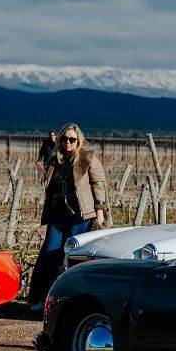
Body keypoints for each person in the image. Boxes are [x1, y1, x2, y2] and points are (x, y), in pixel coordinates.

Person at [29, 123, 107, 312]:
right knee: (49, 253)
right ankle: (39, 301)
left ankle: (74, 301)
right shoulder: (56, 160)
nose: (68, 142)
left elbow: (98, 184)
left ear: (79, 140)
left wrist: (100, 212)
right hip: (58, 214)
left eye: (72, 139)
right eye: (65, 139)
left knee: (75, 257)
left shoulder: (88, 158)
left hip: (80, 215)